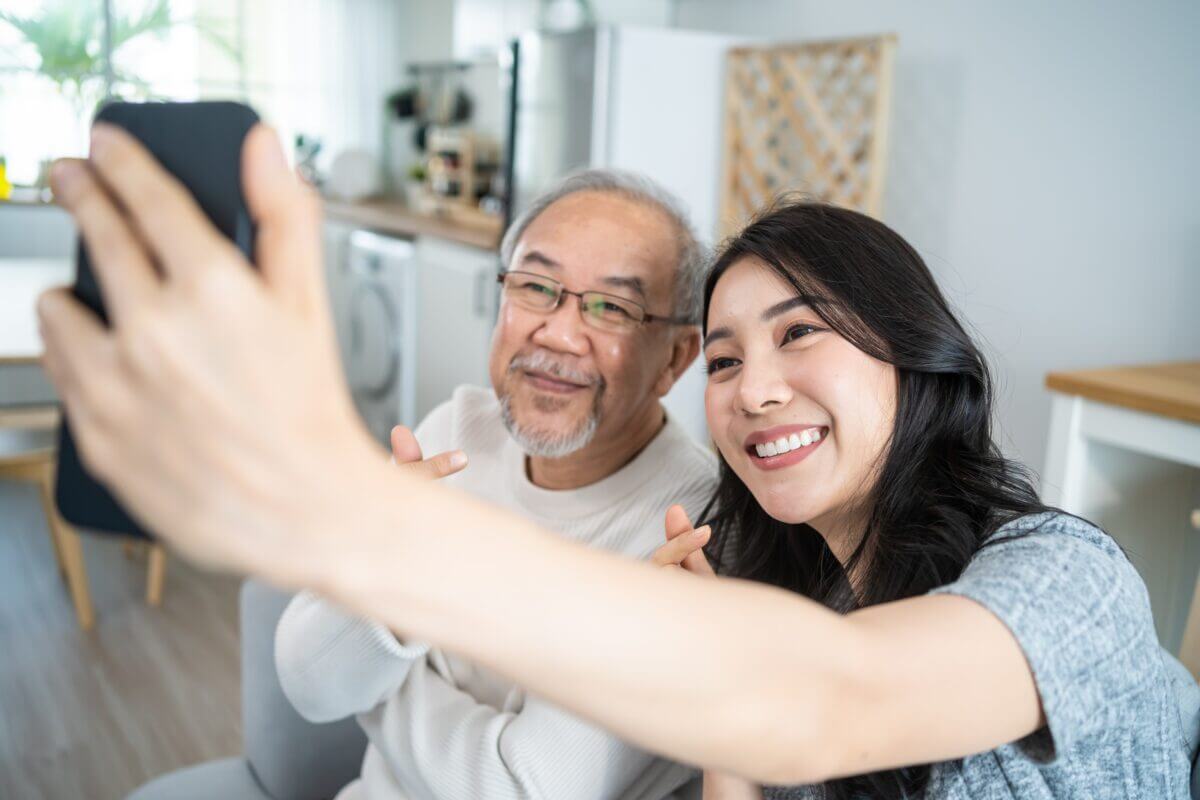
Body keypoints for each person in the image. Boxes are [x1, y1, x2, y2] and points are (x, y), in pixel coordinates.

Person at [40, 123, 1197, 799]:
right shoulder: (761, 565)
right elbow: (766, 721)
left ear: (918, 358)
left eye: (802, 334)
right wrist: (713, 708)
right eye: (733, 359)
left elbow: (826, 701)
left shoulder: (1066, 576)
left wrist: (350, 519)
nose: (757, 389)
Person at [273, 169, 717, 800]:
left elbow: (519, 791)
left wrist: (379, 691)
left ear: (676, 358)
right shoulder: (457, 429)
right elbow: (307, 682)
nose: (558, 334)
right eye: (537, 287)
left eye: (612, 308)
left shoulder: (689, 531)